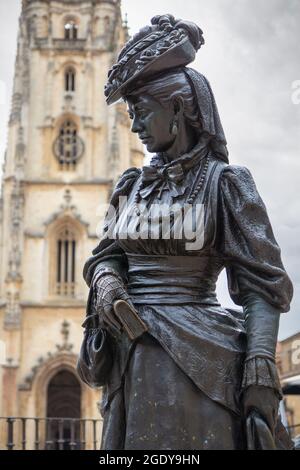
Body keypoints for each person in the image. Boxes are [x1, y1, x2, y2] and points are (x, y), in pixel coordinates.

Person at [77, 15, 293, 450]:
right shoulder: (131, 185)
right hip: (131, 356)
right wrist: (107, 282)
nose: (135, 126)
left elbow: (262, 288)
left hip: (201, 362)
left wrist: (259, 366)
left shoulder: (226, 184)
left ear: (177, 108)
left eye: (141, 113)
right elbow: (106, 255)